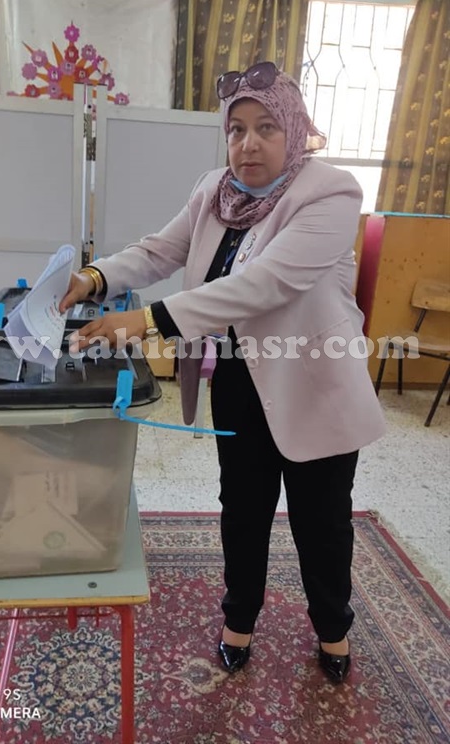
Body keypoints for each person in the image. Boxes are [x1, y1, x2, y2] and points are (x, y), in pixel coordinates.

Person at [59, 62, 386, 684]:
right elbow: (161, 250)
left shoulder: (331, 193)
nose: (248, 143)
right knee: (242, 509)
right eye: (236, 129)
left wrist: (147, 320)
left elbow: (265, 284)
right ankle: (239, 620)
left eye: (266, 127)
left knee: (321, 520)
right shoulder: (215, 190)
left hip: (315, 384)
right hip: (240, 379)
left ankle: (333, 629)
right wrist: (94, 277)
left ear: (295, 130)